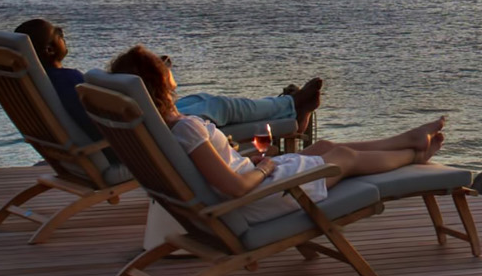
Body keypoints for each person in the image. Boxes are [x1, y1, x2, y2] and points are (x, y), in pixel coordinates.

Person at [106, 46, 444, 225]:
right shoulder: (186, 128)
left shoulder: (160, 130)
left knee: (324, 146)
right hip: (257, 199)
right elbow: (235, 187)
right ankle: (415, 155)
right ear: (161, 83)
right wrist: (265, 168)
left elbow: (215, 174)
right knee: (343, 158)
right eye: (162, 65)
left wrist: (248, 161)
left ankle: (407, 139)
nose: (169, 66)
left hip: (248, 191)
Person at [14, 19, 321, 139]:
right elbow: (103, 118)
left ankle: (290, 107)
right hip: (141, 136)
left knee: (208, 101)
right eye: (58, 33)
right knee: (220, 107)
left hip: (134, 126)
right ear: (48, 48)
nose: (63, 33)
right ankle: (292, 110)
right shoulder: (66, 81)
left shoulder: (38, 82)